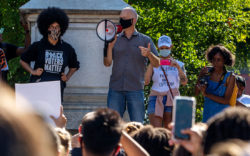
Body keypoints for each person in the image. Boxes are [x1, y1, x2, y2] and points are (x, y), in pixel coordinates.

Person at [104, 7, 160, 122]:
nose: (121, 21)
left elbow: (157, 63)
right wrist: (109, 47)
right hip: (115, 89)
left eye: (124, 18)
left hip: (135, 89)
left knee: (138, 125)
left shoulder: (145, 40)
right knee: (112, 125)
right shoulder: (113, 38)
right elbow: (107, 63)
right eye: (120, 18)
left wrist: (149, 55)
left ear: (133, 20)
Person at [20, 7, 79, 101]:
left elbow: (74, 65)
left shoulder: (67, 48)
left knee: (53, 115)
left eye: (57, 26)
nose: (54, 29)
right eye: (51, 26)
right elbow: (23, 60)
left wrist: (67, 77)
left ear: (61, 28)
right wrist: (32, 71)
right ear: (46, 28)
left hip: (56, 90)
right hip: (38, 87)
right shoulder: (38, 46)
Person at [144, 35, 188, 128]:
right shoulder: (153, 63)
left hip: (172, 98)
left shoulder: (179, 64)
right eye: (162, 48)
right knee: (156, 131)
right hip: (156, 98)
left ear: (171, 47)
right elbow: (146, 82)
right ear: (158, 47)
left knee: (169, 131)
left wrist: (178, 68)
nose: (164, 50)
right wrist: (151, 62)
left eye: (166, 48)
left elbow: (184, 82)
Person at [195, 44, 236, 122]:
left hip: (222, 119)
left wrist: (206, 94)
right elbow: (196, 93)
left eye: (218, 60)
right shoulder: (206, 73)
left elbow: (226, 100)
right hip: (207, 116)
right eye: (213, 59)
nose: (215, 63)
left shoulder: (230, 77)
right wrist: (200, 76)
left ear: (225, 60)